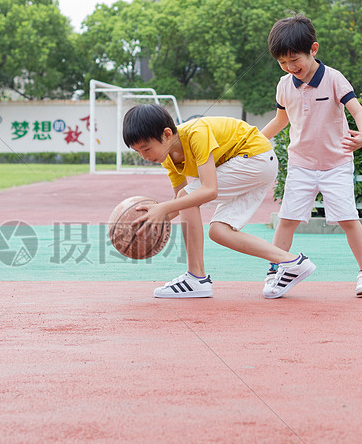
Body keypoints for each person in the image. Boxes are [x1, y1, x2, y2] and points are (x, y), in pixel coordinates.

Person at [122, 104, 315, 299]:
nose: (145, 157)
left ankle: (196, 278)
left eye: (146, 149)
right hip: (258, 164)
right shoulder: (168, 158)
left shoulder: (196, 133)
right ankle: (292, 262)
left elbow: (208, 190)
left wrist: (162, 209)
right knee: (219, 231)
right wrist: (148, 222)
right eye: (138, 151)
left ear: (167, 134)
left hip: (255, 157)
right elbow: (180, 203)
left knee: (187, 198)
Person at [261, 14, 362, 297]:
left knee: (349, 219)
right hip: (301, 165)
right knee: (286, 219)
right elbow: (280, 121)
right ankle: (274, 271)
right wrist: (252, 141)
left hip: (336, 165)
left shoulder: (334, 79)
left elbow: (358, 111)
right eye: (282, 62)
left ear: (313, 49)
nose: (290, 67)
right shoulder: (284, 84)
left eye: (294, 59)